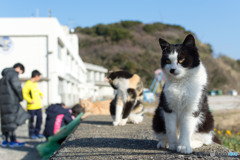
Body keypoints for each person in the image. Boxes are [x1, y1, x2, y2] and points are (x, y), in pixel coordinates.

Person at [0, 63, 29, 147]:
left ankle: (5, 141)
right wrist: (21, 97)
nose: (19, 74)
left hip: (3, 102)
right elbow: (17, 87)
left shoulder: (3, 77)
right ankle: (13, 141)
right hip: (12, 102)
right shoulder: (13, 74)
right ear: (19, 68)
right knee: (12, 121)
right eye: (21, 72)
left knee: (5, 121)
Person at [23, 70, 44, 139]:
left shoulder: (35, 84)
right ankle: (31, 134)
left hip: (38, 106)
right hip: (31, 107)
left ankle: (37, 133)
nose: (39, 78)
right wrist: (30, 100)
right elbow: (24, 94)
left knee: (40, 119)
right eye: (39, 77)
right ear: (36, 76)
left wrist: (41, 94)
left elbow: (37, 91)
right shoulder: (28, 84)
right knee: (31, 121)